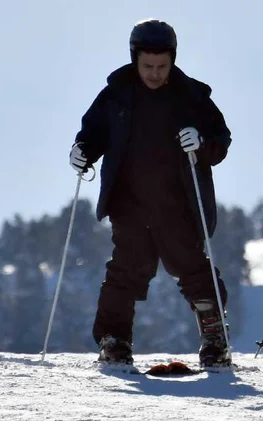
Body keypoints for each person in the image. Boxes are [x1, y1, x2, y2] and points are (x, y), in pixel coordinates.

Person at [69, 19, 233, 368]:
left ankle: (215, 340)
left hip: (179, 203)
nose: (155, 73)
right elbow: (93, 132)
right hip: (129, 202)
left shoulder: (192, 96)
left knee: (192, 267)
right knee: (127, 268)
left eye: (162, 66)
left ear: (173, 60)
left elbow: (220, 141)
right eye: (148, 66)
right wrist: (82, 150)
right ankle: (114, 340)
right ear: (134, 59)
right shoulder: (115, 94)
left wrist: (201, 143)